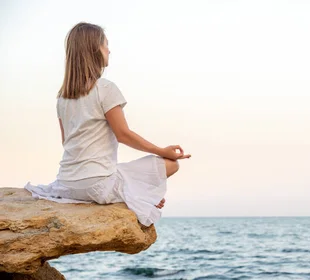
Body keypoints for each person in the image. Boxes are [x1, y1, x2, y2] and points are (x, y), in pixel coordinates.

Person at [24, 22, 191, 227]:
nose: (109, 50)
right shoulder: (105, 88)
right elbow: (124, 135)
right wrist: (161, 150)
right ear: (95, 50)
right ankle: (139, 196)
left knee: (128, 176)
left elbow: (66, 142)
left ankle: (139, 195)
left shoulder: (62, 97)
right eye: (105, 45)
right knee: (171, 164)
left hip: (67, 184)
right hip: (96, 185)